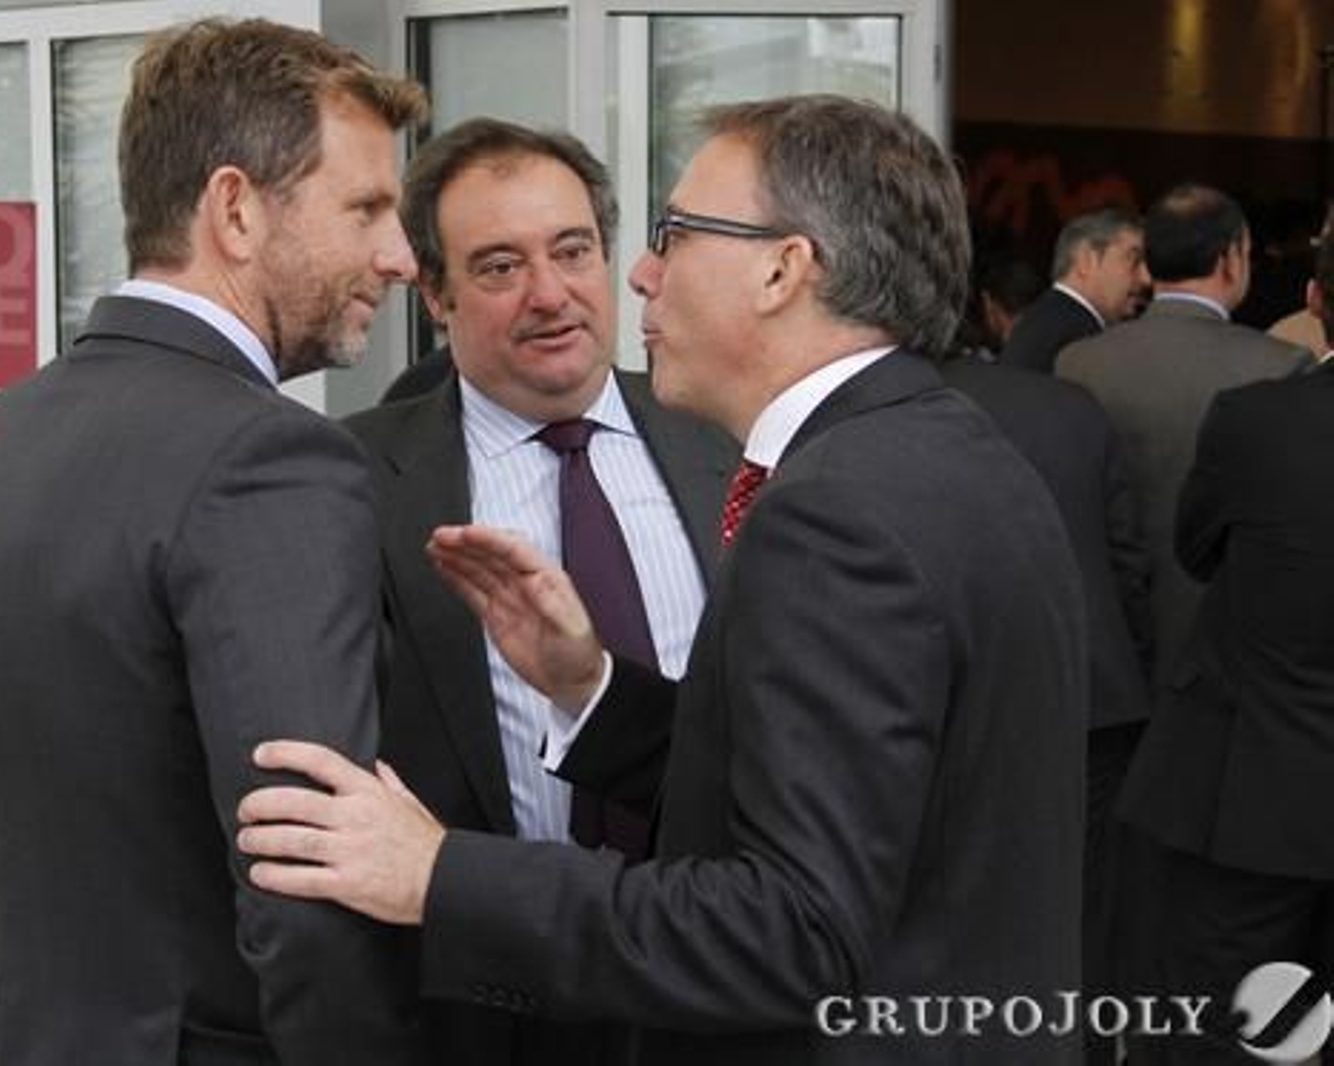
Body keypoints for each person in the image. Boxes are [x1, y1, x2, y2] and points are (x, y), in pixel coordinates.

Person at [238, 95, 1088, 1065]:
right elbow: (842, 781)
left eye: (675, 235)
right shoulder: (949, 451)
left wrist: (439, 873)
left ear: (782, 268)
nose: (638, 272)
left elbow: (791, 927)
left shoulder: (830, 510)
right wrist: (590, 690)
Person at [0, 19, 426, 1065]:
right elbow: (306, 878)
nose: (401, 258)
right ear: (234, 209)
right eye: (365, 207)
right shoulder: (272, 460)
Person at [344, 117, 734, 1065]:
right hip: (480, 1006)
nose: (551, 295)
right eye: (499, 267)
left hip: (713, 980)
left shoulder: (729, 444)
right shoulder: (349, 478)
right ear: (433, 293)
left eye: (572, 251)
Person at [1114, 226, 1334, 1064]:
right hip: (1263, 779)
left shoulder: (1258, 419)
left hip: (1259, 788)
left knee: (1235, 1025)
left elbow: (1196, 550)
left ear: (1315, 303)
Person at [939, 354, 1153, 1066]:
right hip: (1095, 698)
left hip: (959, 707)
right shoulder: (1073, 405)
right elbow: (1129, 558)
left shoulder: (891, 416)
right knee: (1082, 905)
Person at [1056, 184, 1314, 690]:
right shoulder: (1279, 366)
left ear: (1149, 264)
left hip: (1104, 636)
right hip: (1228, 641)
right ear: (1230, 260)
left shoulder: (1078, 362)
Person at [998, 206, 1148, 373]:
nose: (1145, 279)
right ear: (1086, 260)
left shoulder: (1047, 320)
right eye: (1134, 260)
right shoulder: (1079, 339)